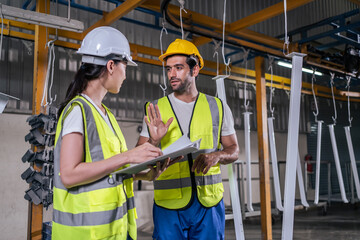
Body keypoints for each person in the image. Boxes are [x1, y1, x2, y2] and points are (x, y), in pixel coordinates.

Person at [52, 26, 172, 240]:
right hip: (87, 234)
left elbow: (112, 171)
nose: (125, 75)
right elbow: (69, 175)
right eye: (125, 66)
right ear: (111, 66)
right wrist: (127, 156)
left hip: (113, 230)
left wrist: (148, 164)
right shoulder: (77, 111)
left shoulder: (106, 114)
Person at [136, 39, 239, 240]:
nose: (172, 75)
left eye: (179, 68)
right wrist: (154, 142)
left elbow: (234, 149)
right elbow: (137, 158)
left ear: (195, 70)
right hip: (168, 206)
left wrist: (217, 155)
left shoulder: (217, 107)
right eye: (168, 69)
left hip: (208, 204)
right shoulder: (156, 109)